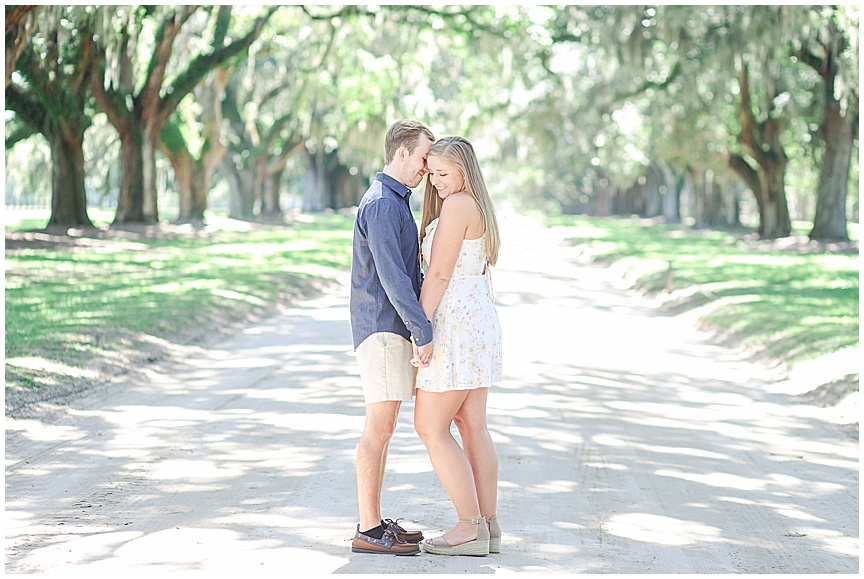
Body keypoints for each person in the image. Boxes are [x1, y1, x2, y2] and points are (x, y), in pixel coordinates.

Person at [411, 136, 503, 556]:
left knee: (430, 427)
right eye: (432, 174)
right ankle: (488, 526)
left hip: (454, 325)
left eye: (443, 174)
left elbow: (439, 275)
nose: (436, 182)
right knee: (472, 426)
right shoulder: (476, 205)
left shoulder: (458, 205)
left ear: (464, 170)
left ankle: (468, 526)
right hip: (477, 320)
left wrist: (420, 330)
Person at [348, 119, 436, 556]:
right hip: (383, 329)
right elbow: (393, 279)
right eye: (423, 158)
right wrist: (423, 331)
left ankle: (376, 523)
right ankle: (367, 528)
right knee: (377, 430)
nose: (426, 168)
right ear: (401, 152)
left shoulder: (395, 201)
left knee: (384, 429)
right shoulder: (383, 204)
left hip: (389, 329)